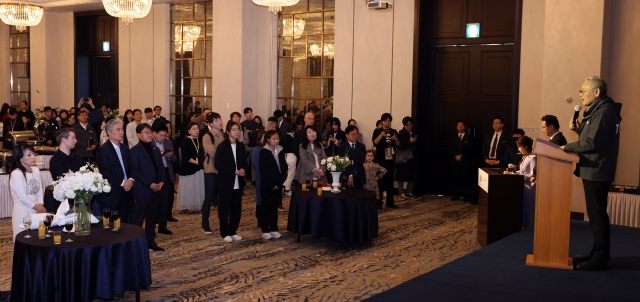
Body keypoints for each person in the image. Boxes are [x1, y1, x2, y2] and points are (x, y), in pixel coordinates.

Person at [562, 76, 622, 271]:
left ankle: (600, 258)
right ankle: (597, 251)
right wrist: (580, 130)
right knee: (596, 215)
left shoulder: (603, 112)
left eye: (583, 91)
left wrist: (566, 147)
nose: (580, 95)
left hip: (597, 170)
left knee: (597, 216)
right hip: (595, 168)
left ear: (596, 92)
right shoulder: (598, 111)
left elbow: (592, 144)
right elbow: (593, 138)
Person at [130, 123, 165, 252]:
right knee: (139, 218)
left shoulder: (155, 149)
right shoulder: (134, 150)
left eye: (151, 132)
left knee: (152, 218)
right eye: (146, 132)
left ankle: (150, 242)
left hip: (157, 189)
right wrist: (149, 184)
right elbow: (135, 171)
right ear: (139, 135)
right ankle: (135, 245)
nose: (150, 135)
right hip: (143, 190)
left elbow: (160, 167)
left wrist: (161, 181)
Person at [214, 121, 249, 243]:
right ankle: (224, 232)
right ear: (228, 132)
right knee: (224, 209)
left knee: (236, 209)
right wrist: (234, 171)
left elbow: (245, 162)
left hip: (238, 182)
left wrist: (243, 169)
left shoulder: (240, 146)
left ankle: (233, 230)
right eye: (234, 130)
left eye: (238, 129)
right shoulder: (222, 146)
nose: (237, 132)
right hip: (225, 182)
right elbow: (218, 164)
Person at [96, 119, 134, 222]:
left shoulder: (125, 148)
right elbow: (106, 172)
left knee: (126, 223)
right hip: (112, 193)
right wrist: (123, 182)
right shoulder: (103, 150)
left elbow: (132, 167)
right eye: (118, 130)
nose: (121, 132)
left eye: (122, 129)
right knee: (111, 225)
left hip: (127, 191)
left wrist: (130, 180)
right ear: (109, 132)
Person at [10, 144, 45, 242]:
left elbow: (39, 191)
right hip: (23, 211)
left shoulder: (35, 170)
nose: (33, 157)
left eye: (33, 153)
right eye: (29, 155)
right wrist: (39, 208)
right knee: (22, 242)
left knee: (37, 240)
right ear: (20, 158)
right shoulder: (16, 173)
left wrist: (40, 206)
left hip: (37, 209)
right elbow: (22, 197)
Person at [258, 130, 287, 240]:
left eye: (277, 138)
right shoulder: (264, 152)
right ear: (268, 140)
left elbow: (284, 167)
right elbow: (263, 171)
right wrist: (271, 184)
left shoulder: (281, 150)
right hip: (267, 184)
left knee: (274, 206)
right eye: (273, 138)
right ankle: (265, 229)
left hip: (278, 183)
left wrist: (279, 183)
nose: (276, 140)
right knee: (265, 206)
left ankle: (274, 228)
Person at [503, 136, 536, 228]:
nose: (518, 149)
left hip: (529, 188)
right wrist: (510, 173)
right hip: (522, 186)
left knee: (528, 210)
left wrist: (516, 175)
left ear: (525, 146)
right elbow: (521, 172)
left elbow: (532, 175)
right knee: (523, 209)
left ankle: (530, 228)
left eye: (519, 146)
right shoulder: (525, 157)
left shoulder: (532, 158)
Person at [201, 112, 224, 234]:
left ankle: (223, 222)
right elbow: (214, 153)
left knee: (221, 197)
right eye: (216, 120)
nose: (219, 122)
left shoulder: (224, 135)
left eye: (219, 119)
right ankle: (204, 223)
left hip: (222, 171)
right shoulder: (207, 136)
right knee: (209, 197)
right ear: (210, 124)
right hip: (211, 170)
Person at [152, 122, 177, 235]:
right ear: (154, 133)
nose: (162, 137)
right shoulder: (150, 143)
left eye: (164, 135)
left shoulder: (168, 142)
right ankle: (152, 226)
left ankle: (163, 226)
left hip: (166, 173)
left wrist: (170, 156)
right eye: (160, 135)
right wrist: (158, 154)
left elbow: (175, 159)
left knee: (165, 201)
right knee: (154, 201)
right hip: (155, 174)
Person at [372, 113, 399, 209]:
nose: (387, 123)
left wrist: (395, 139)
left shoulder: (393, 131)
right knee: (380, 181)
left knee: (390, 180)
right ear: (382, 121)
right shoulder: (377, 131)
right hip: (380, 159)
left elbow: (398, 144)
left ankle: (390, 201)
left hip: (390, 159)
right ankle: (378, 201)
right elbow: (375, 143)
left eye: (389, 121)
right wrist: (381, 135)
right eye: (386, 121)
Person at [177, 122, 205, 212]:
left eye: (197, 128)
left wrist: (200, 162)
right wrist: (195, 162)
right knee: (188, 187)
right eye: (193, 129)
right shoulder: (185, 141)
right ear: (189, 131)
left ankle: (197, 205)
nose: (196, 130)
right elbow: (185, 156)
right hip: (188, 168)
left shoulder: (200, 140)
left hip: (199, 167)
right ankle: (186, 206)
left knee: (198, 186)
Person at [449, 121, 473, 202]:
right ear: (456, 127)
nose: (460, 127)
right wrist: (455, 156)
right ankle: (456, 195)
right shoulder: (453, 137)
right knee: (455, 179)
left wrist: (462, 156)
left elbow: (470, 149)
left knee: (465, 179)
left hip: (465, 161)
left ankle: (466, 196)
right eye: (458, 125)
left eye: (462, 125)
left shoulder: (469, 137)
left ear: (465, 127)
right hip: (454, 161)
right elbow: (450, 148)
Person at [396, 116, 418, 200]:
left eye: (410, 124)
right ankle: (401, 192)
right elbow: (401, 145)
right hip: (403, 158)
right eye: (407, 125)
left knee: (412, 175)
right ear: (404, 125)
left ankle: (408, 192)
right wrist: (409, 142)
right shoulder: (401, 133)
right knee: (401, 175)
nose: (409, 126)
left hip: (413, 157)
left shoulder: (415, 132)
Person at [241, 108, 261, 184]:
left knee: (253, 162)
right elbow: (242, 134)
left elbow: (259, 131)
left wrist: (251, 131)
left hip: (254, 145)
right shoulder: (242, 124)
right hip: (245, 145)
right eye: (248, 113)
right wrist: (253, 132)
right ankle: (244, 180)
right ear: (245, 115)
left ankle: (254, 179)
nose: (250, 114)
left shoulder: (256, 123)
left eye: (251, 112)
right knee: (244, 163)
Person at [252, 130, 266, 225]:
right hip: (261, 178)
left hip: (270, 179)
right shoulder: (257, 150)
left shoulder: (272, 149)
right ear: (260, 139)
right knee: (261, 199)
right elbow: (258, 166)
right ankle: (260, 220)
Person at [280, 124, 297, 197]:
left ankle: (285, 186)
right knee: (291, 174)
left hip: (288, 156)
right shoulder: (290, 138)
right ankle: (286, 189)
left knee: (291, 173)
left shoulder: (286, 137)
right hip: (291, 156)